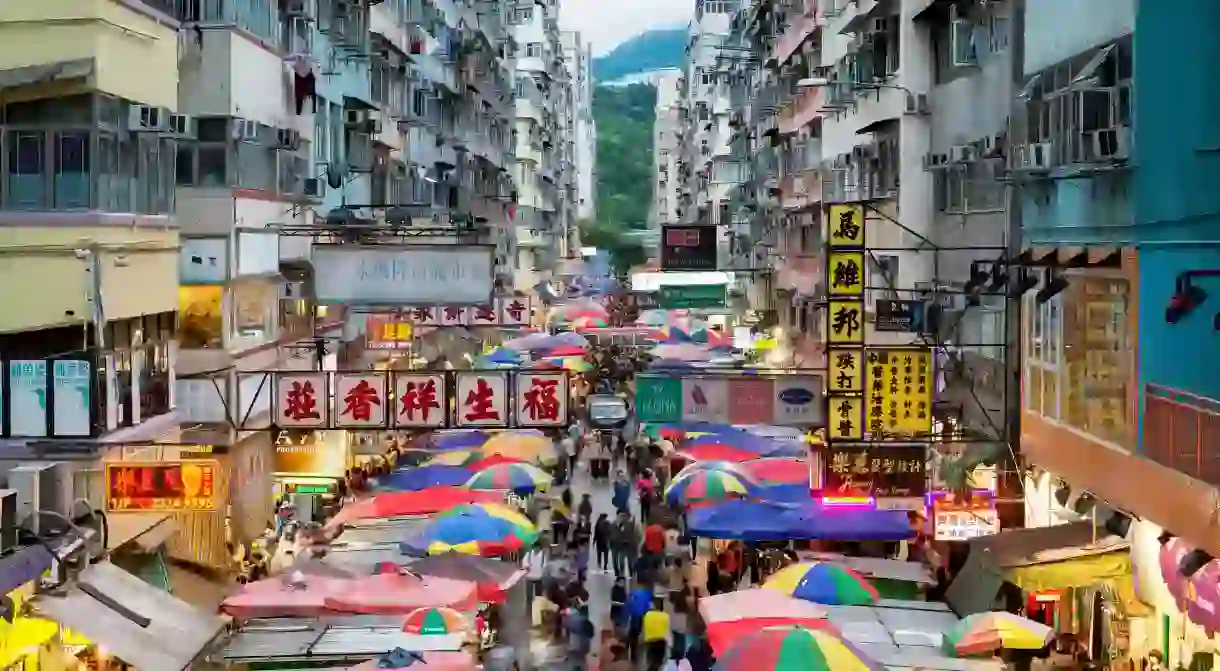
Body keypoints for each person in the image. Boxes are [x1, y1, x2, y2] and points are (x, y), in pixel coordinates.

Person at [641, 598, 670, 670]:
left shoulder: (647, 615)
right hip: (661, 641)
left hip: (650, 640)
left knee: (651, 661)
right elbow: (667, 629)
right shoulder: (666, 615)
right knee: (659, 661)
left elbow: (644, 628)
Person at [612, 512, 640, 579]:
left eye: (623, 516)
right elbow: (616, 534)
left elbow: (632, 534)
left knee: (630, 561)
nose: (621, 518)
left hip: (629, 546)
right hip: (621, 546)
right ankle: (622, 573)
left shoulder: (629, 524)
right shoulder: (616, 524)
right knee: (621, 560)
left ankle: (631, 573)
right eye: (620, 516)